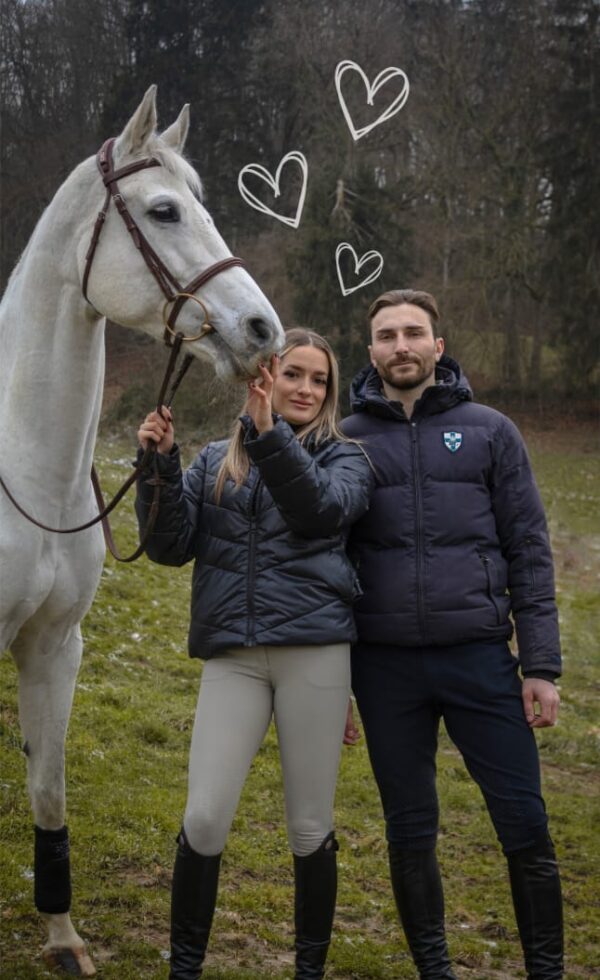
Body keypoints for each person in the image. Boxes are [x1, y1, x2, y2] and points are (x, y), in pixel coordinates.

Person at [135, 328, 372, 980]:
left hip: (314, 656)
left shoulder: (347, 459)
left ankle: (308, 972)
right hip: (234, 656)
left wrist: (268, 435)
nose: (306, 389)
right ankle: (185, 969)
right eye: (293, 373)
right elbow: (169, 546)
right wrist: (160, 465)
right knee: (204, 817)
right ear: (264, 376)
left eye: (319, 379)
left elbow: (317, 511)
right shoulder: (216, 459)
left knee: (309, 826)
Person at [341, 289, 563, 979]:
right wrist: (336, 681)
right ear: (371, 351)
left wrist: (541, 666)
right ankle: (434, 972)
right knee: (410, 831)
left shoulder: (491, 431)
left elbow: (529, 549)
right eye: (387, 336)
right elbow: (329, 565)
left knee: (525, 824)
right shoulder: (344, 438)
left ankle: (547, 971)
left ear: (438, 346)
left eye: (414, 333)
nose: (401, 346)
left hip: (481, 660)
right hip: (384, 672)